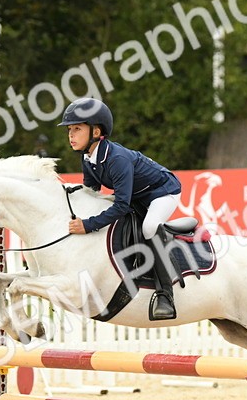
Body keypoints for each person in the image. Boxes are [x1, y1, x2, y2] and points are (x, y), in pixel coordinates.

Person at [58, 97, 182, 321]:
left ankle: (166, 295)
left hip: (163, 192)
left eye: (77, 129)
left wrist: (88, 225)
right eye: (69, 129)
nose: (71, 135)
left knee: (150, 227)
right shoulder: (88, 157)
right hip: (136, 195)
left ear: (96, 132)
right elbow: (91, 192)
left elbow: (122, 205)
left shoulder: (116, 159)